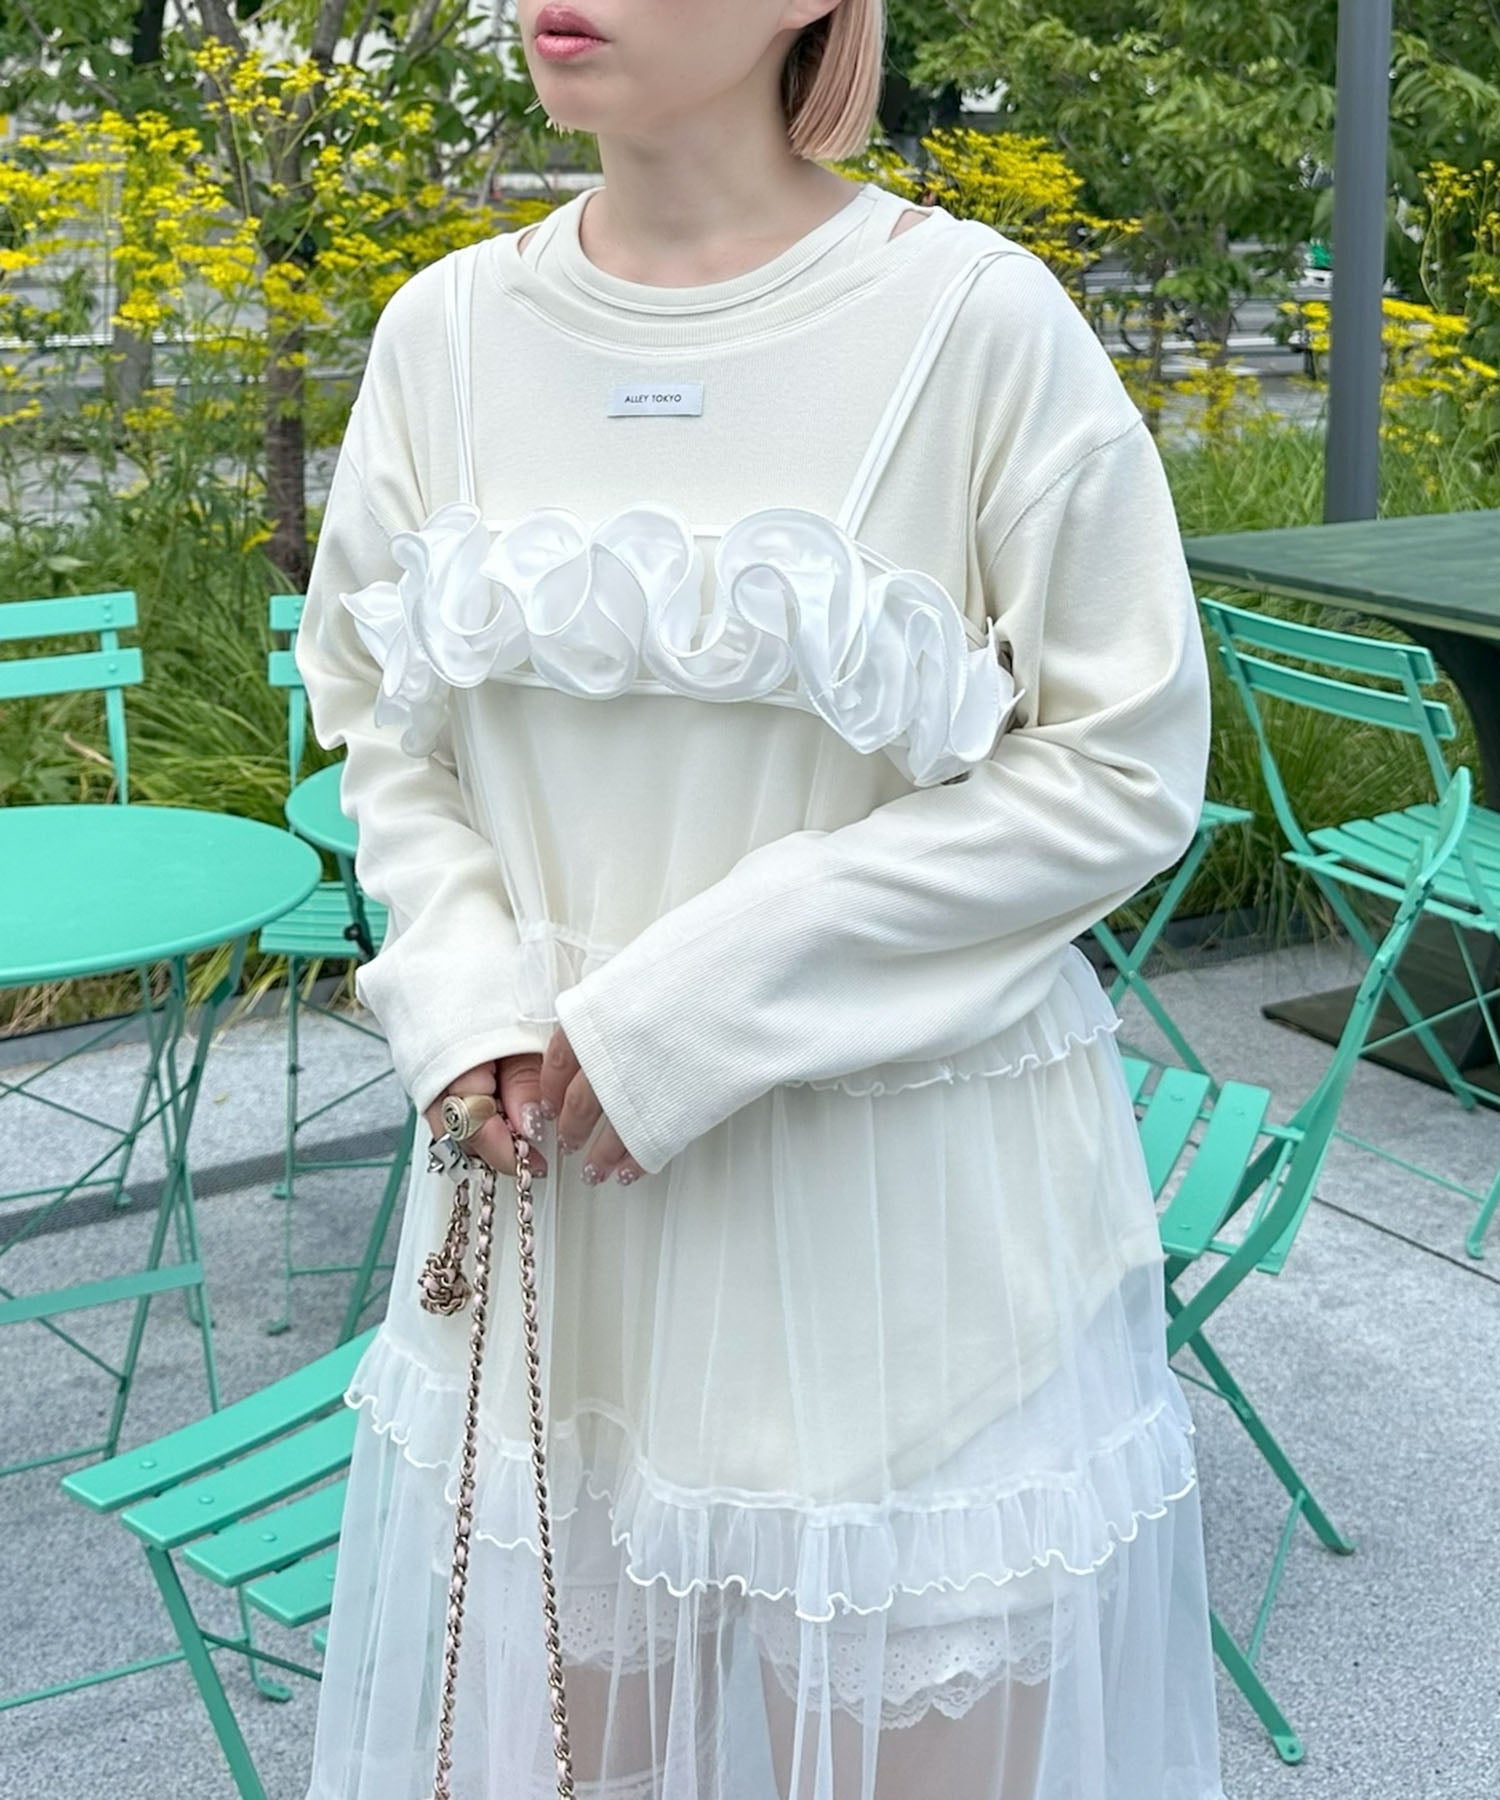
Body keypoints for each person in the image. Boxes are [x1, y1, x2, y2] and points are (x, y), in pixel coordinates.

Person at [295, 2, 1228, 1795]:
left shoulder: (975, 322)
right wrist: (461, 993)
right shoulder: (446, 336)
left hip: (903, 1246)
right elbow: (382, 731)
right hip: (564, 1240)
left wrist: (711, 992)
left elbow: (1121, 767)